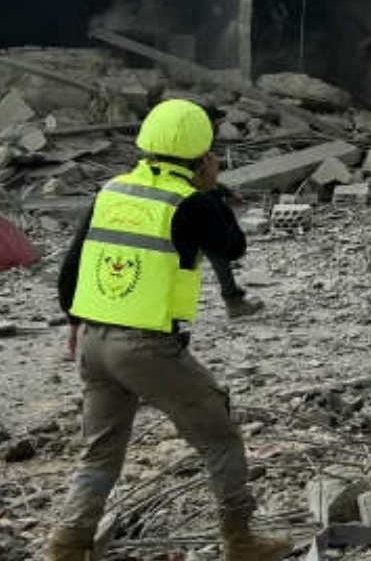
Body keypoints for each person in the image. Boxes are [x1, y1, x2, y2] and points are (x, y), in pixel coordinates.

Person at [48, 99, 290, 561]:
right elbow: (232, 246)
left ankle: (67, 544)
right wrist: (215, 193)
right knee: (219, 434)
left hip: (94, 343)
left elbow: (71, 268)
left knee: (100, 452)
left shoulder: (111, 189)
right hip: (144, 347)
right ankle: (240, 539)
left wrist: (76, 320)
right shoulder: (190, 202)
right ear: (202, 157)